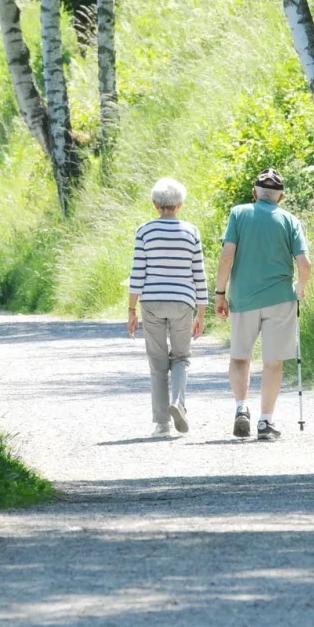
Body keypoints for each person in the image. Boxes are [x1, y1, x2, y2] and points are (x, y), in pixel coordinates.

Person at [214, 168, 310, 441]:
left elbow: (226, 257)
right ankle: (265, 422)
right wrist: (299, 290)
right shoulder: (290, 220)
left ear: (254, 193)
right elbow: (305, 265)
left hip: (243, 298)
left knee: (241, 356)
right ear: (281, 197)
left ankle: (241, 407)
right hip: (280, 298)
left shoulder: (239, 213)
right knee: (273, 361)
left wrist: (220, 293)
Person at [127, 177, 207, 436]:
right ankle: (178, 403)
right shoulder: (191, 231)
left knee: (158, 362)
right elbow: (199, 273)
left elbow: (138, 272)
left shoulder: (145, 231)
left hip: (151, 302)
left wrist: (131, 310)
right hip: (183, 302)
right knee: (181, 358)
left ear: (155, 204)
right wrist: (202, 312)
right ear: (180, 205)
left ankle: (162, 424)